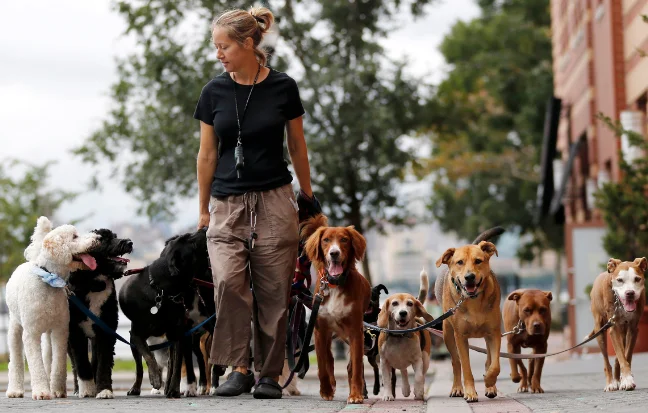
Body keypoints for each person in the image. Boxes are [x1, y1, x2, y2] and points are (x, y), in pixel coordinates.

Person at [194, 6, 318, 399]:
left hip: (276, 200)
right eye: (216, 46)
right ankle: (238, 366)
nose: (218, 54)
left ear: (248, 44)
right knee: (229, 282)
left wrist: (309, 197)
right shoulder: (213, 91)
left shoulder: (284, 87)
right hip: (226, 204)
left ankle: (267, 374)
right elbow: (207, 154)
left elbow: (297, 145)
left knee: (273, 290)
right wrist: (202, 208)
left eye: (224, 46)